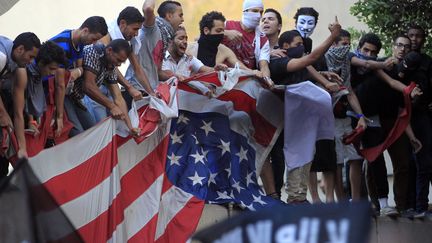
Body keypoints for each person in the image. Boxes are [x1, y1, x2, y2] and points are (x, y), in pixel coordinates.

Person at [269, 17, 341, 203]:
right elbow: (310, 58)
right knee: (288, 157)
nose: (302, 47)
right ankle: (288, 196)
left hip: (303, 123)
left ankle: (299, 197)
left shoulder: (299, 62)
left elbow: (307, 65)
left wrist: (324, 79)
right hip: (282, 123)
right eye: (298, 44)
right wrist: (333, 37)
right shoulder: (278, 62)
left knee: (306, 155)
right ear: (285, 45)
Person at [86, 6, 153, 122]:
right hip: (95, 90)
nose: (136, 34)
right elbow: (112, 67)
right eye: (135, 29)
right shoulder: (105, 38)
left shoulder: (129, 41)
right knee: (99, 126)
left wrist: (152, 93)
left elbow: (138, 69)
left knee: (118, 122)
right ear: (122, 24)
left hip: (110, 87)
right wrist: (129, 87)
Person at [324, 29, 366, 202]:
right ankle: (340, 201)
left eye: (349, 44)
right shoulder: (324, 58)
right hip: (329, 119)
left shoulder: (347, 61)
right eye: (343, 44)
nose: (347, 47)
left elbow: (349, 91)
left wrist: (361, 116)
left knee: (356, 157)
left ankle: (355, 201)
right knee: (337, 162)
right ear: (333, 43)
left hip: (346, 118)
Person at [50, 16, 108, 136]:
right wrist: (59, 117)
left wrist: (76, 72)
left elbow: (80, 68)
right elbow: (60, 84)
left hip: (69, 93)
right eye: (94, 39)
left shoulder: (78, 42)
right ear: (85, 31)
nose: (94, 43)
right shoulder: (62, 46)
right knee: (79, 134)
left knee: (92, 127)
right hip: (54, 93)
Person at [69, 39, 139, 136]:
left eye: (122, 62)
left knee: (91, 130)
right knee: (78, 133)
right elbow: (88, 86)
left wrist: (130, 127)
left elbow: (118, 97)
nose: (118, 64)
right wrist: (112, 106)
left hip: (77, 99)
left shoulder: (111, 66)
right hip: (66, 95)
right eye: (118, 60)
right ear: (109, 50)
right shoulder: (94, 52)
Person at [12, 41, 66, 159]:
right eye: (51, 68)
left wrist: (32, 122)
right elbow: (20, 110)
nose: (52, 73)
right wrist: (22, 147)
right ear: (41, 63)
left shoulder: (39, 74)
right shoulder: (25, 73)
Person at [0, 32, 41, 173]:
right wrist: (3, 113)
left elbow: (18, 112)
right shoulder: (2, 56)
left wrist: (22, 149)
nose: (31, 62)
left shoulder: (21, 70)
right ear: (20, 49)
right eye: (31, 57)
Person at [125, 0, 184, 94]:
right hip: (136, 90)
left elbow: (158, 72)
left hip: (150, 92)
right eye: (180, 15)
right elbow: (147, 8)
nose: (183, 20)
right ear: (169, 16)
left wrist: (174, 76)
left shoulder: (165, 37)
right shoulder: (153, 28)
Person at [406, 24, 432, 218]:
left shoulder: (427, 61)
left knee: (424, 160)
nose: (414, 39)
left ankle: (421, 205)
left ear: (424, 39)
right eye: (411, 36)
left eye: (418, 36)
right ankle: (408, 205)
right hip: (401, 118)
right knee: (406, 163)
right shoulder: (398, 62)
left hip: (422, 116)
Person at [222, 0, 273, 88]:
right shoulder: (227, 25)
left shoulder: (263, 39)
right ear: (245, 12)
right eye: (255, 11)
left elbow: (264, 66)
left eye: (261, 12)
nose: (258, 15)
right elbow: (201, 39)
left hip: (245, 81)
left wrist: (267, 79)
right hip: (222, 74)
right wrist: (225, 33)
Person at [162, 26, 226, 96]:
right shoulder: (161, 59)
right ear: (170, 41)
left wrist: (216, 69)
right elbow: (174, 78)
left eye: (186, 38)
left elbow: (205, 70)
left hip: (185, 102)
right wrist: (202, 88)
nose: (185, 42)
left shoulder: (189, 58)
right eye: (181, 38)